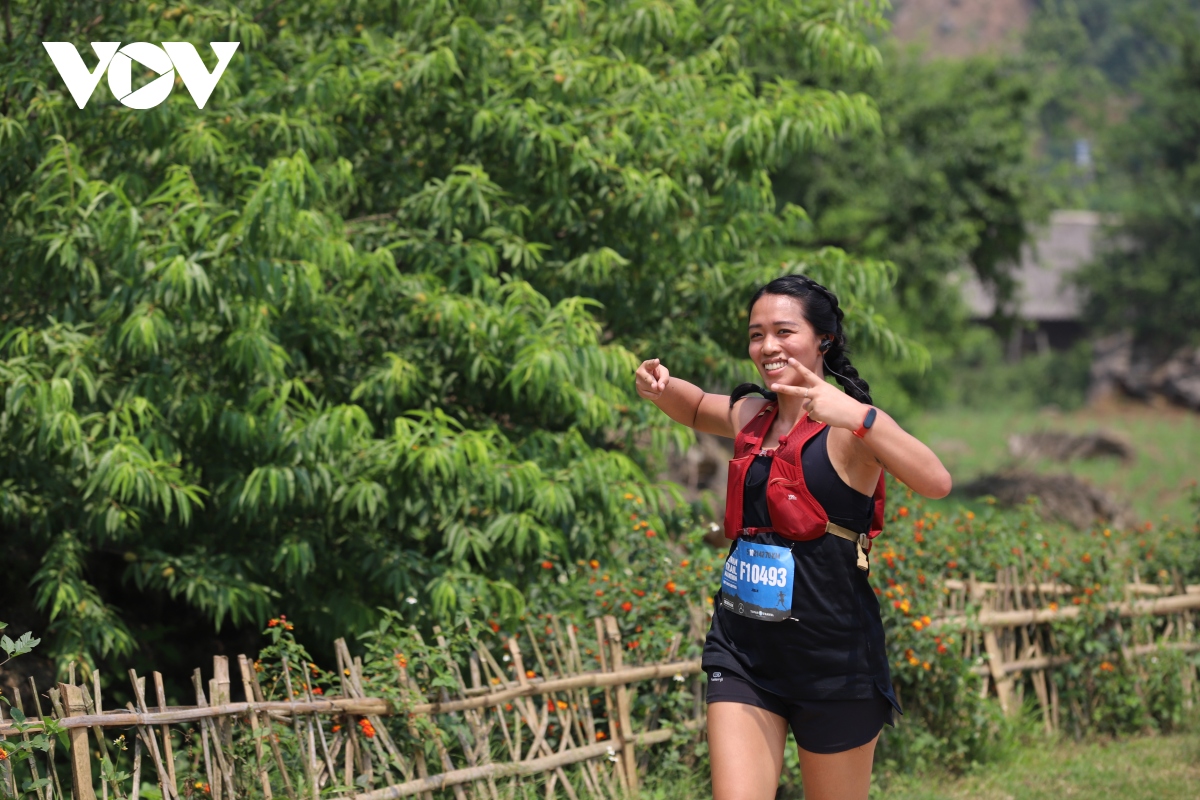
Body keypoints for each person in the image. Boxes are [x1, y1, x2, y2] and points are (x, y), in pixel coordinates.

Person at [634, 275, 951, 800]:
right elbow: (693, 408)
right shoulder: (750, 416)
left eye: (784, 331)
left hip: (834, 660)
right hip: (743, 649)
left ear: (822, 339)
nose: (767, 346)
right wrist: (660, 386)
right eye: (757, 335)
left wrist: (859, 415)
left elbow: (937, 482)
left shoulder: (852, 429)